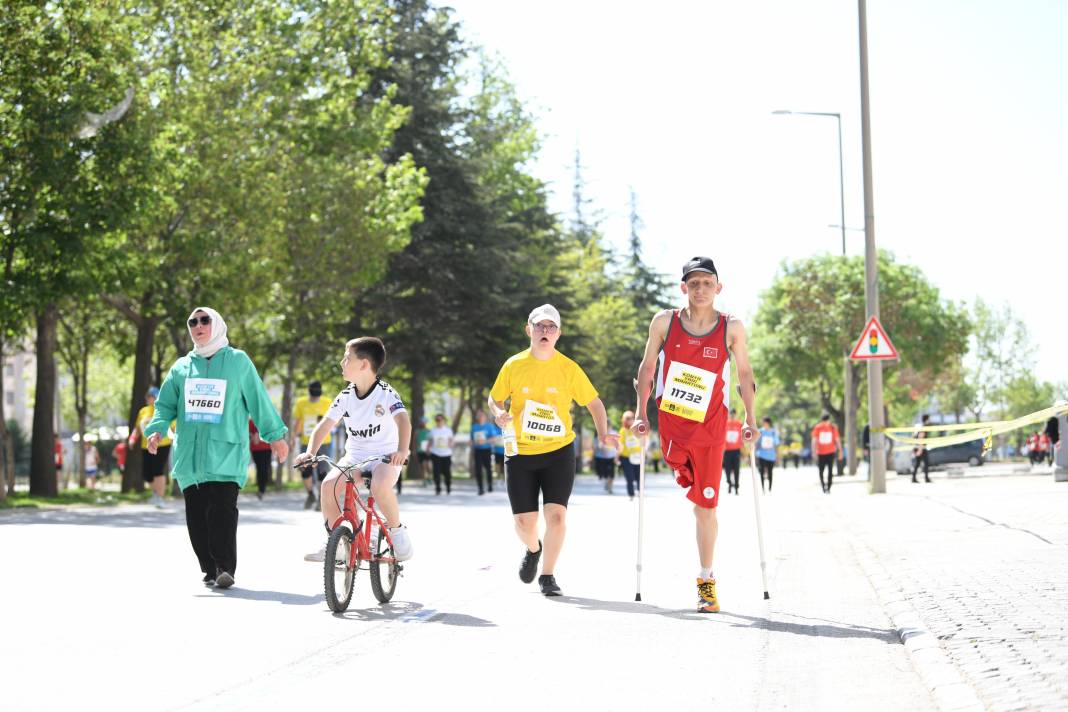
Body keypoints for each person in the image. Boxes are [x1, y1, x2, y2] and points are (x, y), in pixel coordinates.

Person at [632, 257, 757, 613]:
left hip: (712, 428)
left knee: (706, 505)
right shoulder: (664, 322)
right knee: (682, 477)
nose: (701, 289)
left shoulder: (731, 327)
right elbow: (647, 366)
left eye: (708, 282)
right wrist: (641, 413)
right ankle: (684, 473)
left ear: (718, 288)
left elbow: (744, 373)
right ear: (683, 287)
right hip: (672, 423)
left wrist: (750, 418)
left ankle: (706, 581)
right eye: (694, 283)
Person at [145, 307, 288, 589]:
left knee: (222, 512)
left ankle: (225, 567)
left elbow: (258, 400)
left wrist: (275, 435)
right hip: (190, 457)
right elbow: (164, 406)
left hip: (226, 454)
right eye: (192, 322)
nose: (198, 325)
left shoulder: (238, 361)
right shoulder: (181, 368)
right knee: (196, 519)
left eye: (204, 320)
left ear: (218, 324)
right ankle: (210, 568)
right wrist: (156, 429)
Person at [488, 304, 616, 597]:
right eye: (540, 326)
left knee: (556, 516)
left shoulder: (568, 368)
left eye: (551, 327)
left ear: (558, 334)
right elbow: (494, 399)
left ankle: (547, 575)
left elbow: (594, 403)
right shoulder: (513, 365)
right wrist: (498, 413)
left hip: (558, 451)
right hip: (519, 452)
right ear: (528, 330)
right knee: (524, 522)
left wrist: (603, 434)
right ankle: (533, 549)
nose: (545, 332)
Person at [297, 337, 413, 562]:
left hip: (385, 457)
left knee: (379, 487)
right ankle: (337, 542)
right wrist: (310, 452)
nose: (341, 362)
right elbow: (324, 426)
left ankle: (397, 530)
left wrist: (402, 451)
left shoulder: (386, 393)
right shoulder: (345, 396)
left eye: (346, 358)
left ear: (364, 364)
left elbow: (404, 422)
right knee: (328, 486)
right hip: (355, 457)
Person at [131, 386, 175, 508]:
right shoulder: (143, 411)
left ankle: (160, 498)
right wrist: (132, 439)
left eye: (152, 396)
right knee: (147, 473)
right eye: (148, 397)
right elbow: (137, 428)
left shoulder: (164, 409)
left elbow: (173, 426)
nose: (149, 399)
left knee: (158, 471)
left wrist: (174, 437)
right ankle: (155, 494)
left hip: (162, 444)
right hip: (146, 445)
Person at [293, 381, 332, 509]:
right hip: (306, 442)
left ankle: (321, 499)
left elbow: (335, 422)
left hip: (324, 442)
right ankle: (310, 494)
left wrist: (323, 421)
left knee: (323, 471)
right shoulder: (301, 403)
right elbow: (298, 422)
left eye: (317, 394)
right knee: (305, 470)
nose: (315, 397)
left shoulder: (327, 402)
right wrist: (293, 438)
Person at [618, 411, 643, 500]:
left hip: (638, 456)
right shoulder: (622, 431)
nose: (630, 420)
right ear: (624, 420)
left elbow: (644, 440)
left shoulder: (638, 429)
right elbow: (620, 445)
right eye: (627, 418)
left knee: (639, 476)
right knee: (629, 477)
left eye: (632, 418)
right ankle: (631, 494)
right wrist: (617, 457)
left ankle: (640, 492)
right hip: (626, 457)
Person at [812, 414, 841, 493]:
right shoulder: (818, 427)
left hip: (830, 452)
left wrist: (840, 451)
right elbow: (814, 440)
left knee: (829, 470)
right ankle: (824, 486)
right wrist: (814, 452)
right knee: (822, 470)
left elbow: (837, 439)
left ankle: (828, 486)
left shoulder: (833, 428)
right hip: (821, 453)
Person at [470, 409, 495, 495]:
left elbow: (494, 439)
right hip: (477, 450)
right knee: (478, 469)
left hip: (487, 450)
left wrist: (485, 441)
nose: (480, 417)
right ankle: (480, 488)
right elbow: (472, 439)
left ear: (485, 417)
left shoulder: (489, 426)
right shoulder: (474, 427)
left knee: (488, 469)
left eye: (481, 415)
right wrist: (471, 442)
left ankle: (490, 485)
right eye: (478, 415)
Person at [428, 414, 454, 495]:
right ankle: (438, 488)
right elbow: (430, 441)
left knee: (446, 472)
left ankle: (448, 487)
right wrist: (428, 449)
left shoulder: (448, 430)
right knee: (436, 472)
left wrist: (451, 445)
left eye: (440, 420)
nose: (438, 421)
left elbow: (451, 440)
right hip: (435, 453)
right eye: (437, 420)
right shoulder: (433, 430)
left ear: (443, 420)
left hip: (446, 454)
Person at [249, 419, 273, 500]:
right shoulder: (252, 421)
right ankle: (260, 488)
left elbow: (271, 431)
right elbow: (248, 433)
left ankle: (262, 489)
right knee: (259, 468)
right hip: (255, 449)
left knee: (265, 468)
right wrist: (253, 436)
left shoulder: (267, 420)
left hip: (266, 448)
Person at [755, 417, 780, 493]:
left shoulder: (773, 432)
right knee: (761, 471)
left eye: (765, 423)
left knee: (770, 471)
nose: (764, 424)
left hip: (771, 456)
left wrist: (778, 456)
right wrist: (755, 454)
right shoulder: (760, 431)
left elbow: (776, 444)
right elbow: (757, 443)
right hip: (761, 455)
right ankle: (763, 488)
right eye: (763, 423)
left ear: (769, 423)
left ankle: (769, 488)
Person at [722, 409, 743, 494]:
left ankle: (737, 486)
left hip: (736, 450)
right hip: (727, 451)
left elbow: (743, 436)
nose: (732, 416)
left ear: (736, 415)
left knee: (736, 469)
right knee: (727, 470)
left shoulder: (739, 424)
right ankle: (730, 483)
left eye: (734, 414)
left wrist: (743, 448)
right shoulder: (725, 423)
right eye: (731, 414)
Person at [594, 428, 618, 494]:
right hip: (604, 457)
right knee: (606, 473)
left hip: (612, 457)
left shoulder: (614, 433)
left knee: (612, 474)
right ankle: (607, 483)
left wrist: (617, 456)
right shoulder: (602, 433)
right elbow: (599, 446)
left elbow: (618, 445)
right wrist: (602, 443)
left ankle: (610, 488)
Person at [911, 414, 931, 483]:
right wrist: (920, 449)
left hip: (920, 447)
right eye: (929, 419)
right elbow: (920, 438)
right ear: (927, 419)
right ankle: (926, 478)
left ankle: (914, 478)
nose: (930, 421)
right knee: (925, 463)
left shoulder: (922, 426)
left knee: (918, 464)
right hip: (921, 447)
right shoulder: (923, 427)